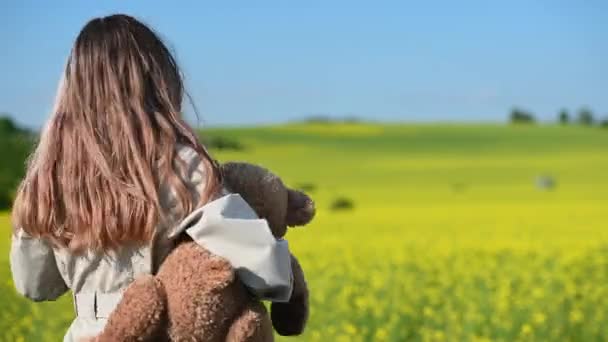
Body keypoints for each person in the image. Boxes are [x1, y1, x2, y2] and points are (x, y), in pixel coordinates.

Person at [9, 14, 292, 342]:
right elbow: (267, 271)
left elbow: (35, 285)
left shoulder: (48, 179)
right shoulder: (181, 167)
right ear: (159, 82)